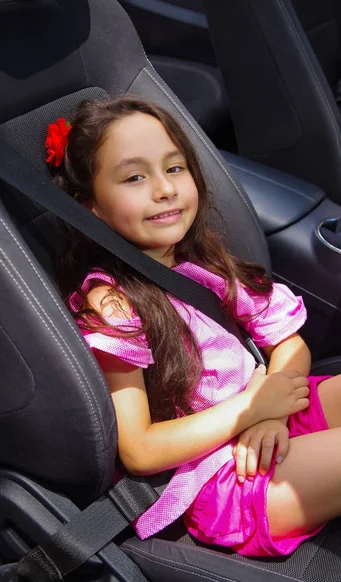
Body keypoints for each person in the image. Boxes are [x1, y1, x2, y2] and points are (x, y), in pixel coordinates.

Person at [46, 96, 341, 557]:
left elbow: (287, 341)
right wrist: (251, 409)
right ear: (91, 208)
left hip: (265, 413)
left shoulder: (200, 261)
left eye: (175, 168)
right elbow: (139, 449)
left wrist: (274, 404)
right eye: (135, 177)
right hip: (221, 477)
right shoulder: (111, 302)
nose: (164, 189)